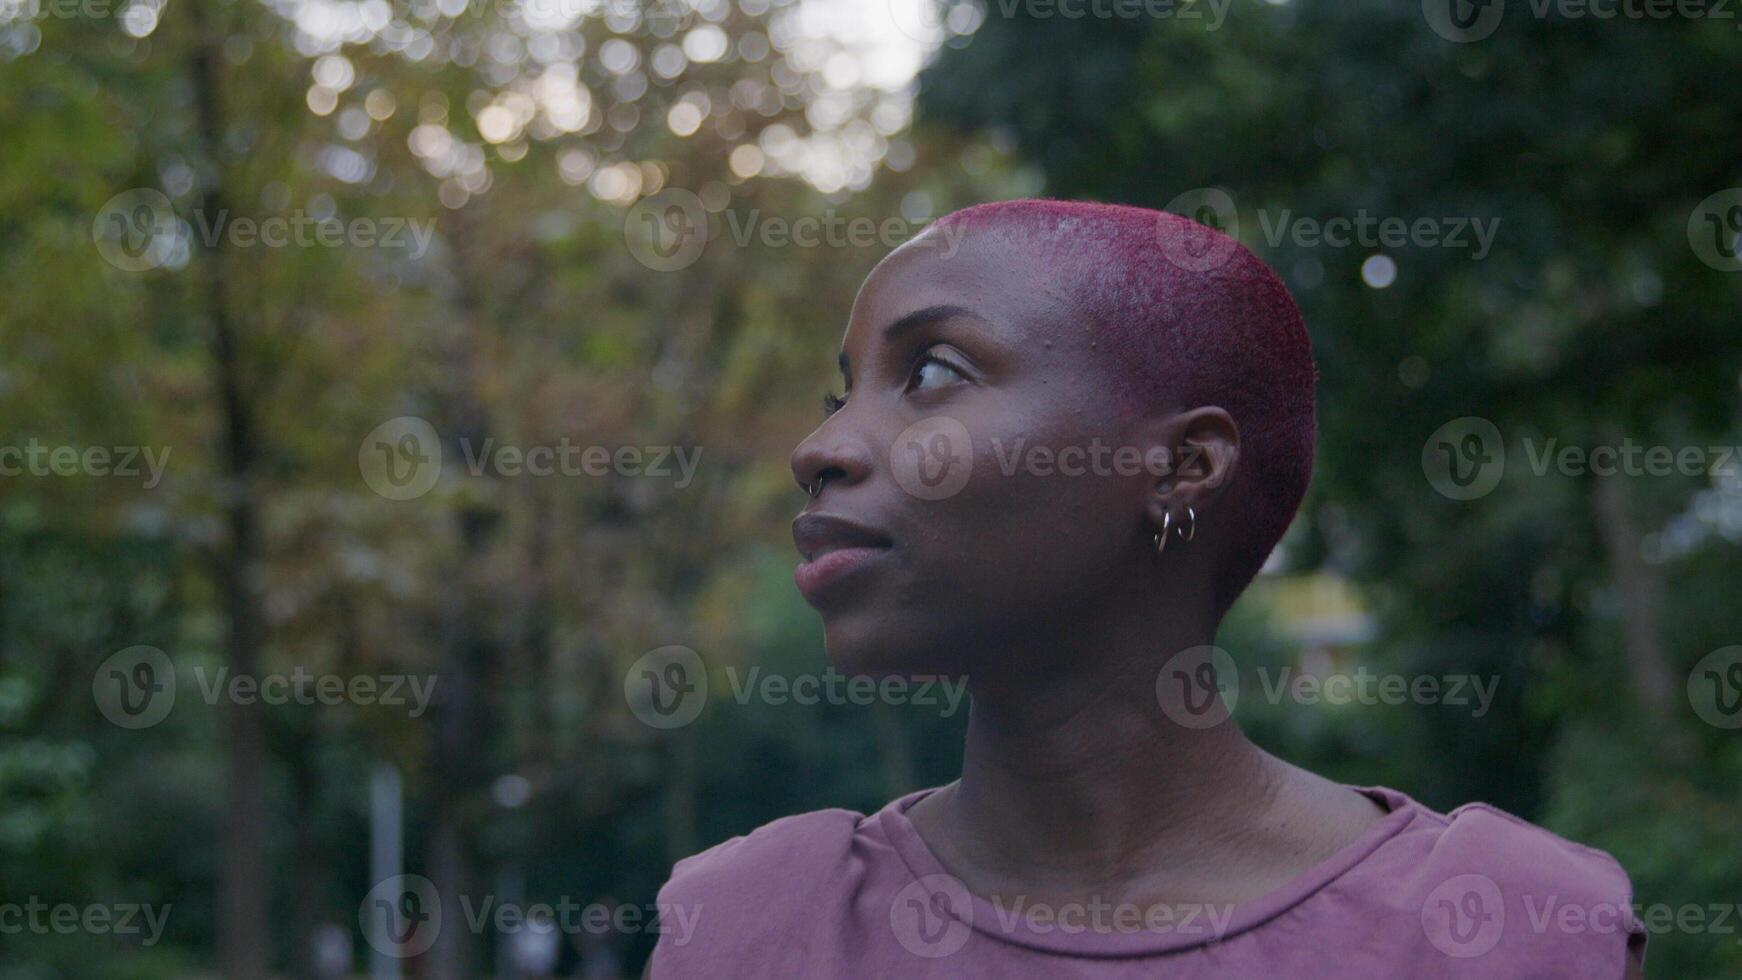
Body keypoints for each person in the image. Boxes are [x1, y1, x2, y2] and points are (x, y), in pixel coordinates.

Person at [646, 200, 1648, 977]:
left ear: (1180, 466)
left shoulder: (1504, 925)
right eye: (840, 393)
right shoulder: (755, 925)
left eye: (933, 371)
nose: (817, 447)